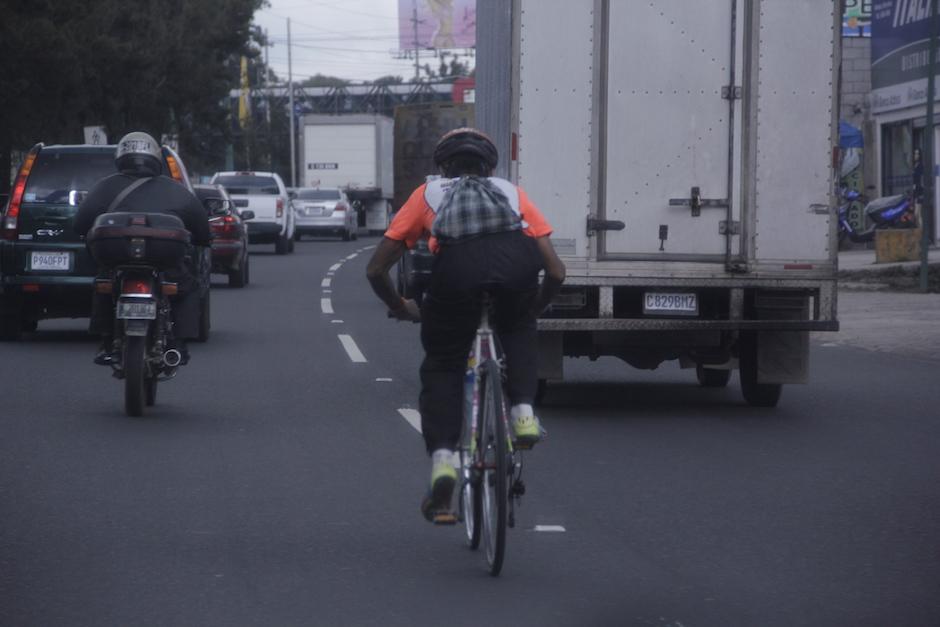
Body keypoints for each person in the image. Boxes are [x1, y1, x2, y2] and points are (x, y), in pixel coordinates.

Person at [366, 127, 566, 520]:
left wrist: (402, 305)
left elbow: (376, 269)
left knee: (443, 362)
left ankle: (443, 460)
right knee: (518, 330)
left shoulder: (428, 194)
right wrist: (531, 309)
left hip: (455, 275)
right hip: (516, 270)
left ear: (442, 167)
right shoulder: (511, 193)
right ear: (490, 166)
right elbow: (556, 272)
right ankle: (523, 413)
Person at [74, 131, 212, 365]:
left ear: (121, 157)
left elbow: (80, 224)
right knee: (186, 287)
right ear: (155, 158)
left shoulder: (103, 187)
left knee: (104, 286)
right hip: (165, 260)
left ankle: (107, 341)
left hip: (116, 260)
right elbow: (202, 231)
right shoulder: (177, 190)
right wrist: (203, 239)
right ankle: (179, 344)